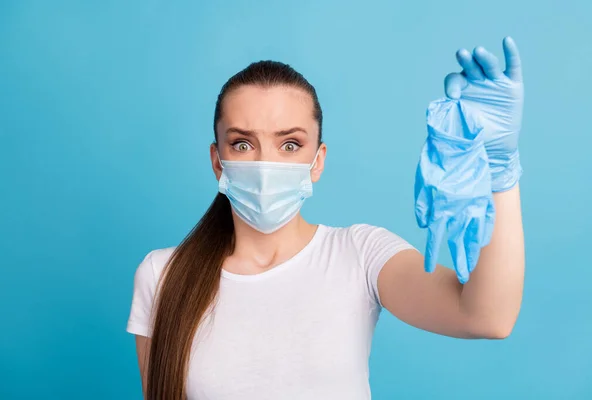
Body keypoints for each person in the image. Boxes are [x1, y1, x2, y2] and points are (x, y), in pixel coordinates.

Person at [126, 37, 525, 400]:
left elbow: (486, 316)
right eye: (243, 143)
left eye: (290, 144)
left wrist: (498, 170)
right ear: (218, 161)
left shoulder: (360, 254)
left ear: (317, 162)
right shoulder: (163, 275)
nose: (266, 163)